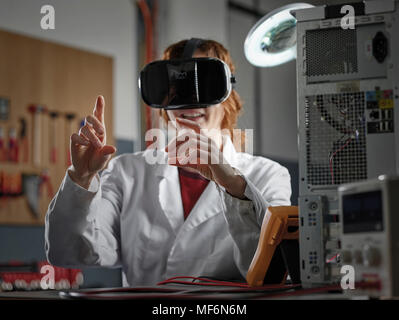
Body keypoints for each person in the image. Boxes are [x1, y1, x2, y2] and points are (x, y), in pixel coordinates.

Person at [45, 39, 291, 286]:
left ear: (227, 93)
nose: (189, 100)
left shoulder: (269, 176)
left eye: (203, 81)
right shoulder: (127, 172)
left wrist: (234, 186)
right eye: (175, 86)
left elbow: (272, 272)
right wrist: (81, 178)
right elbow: (70, 252)